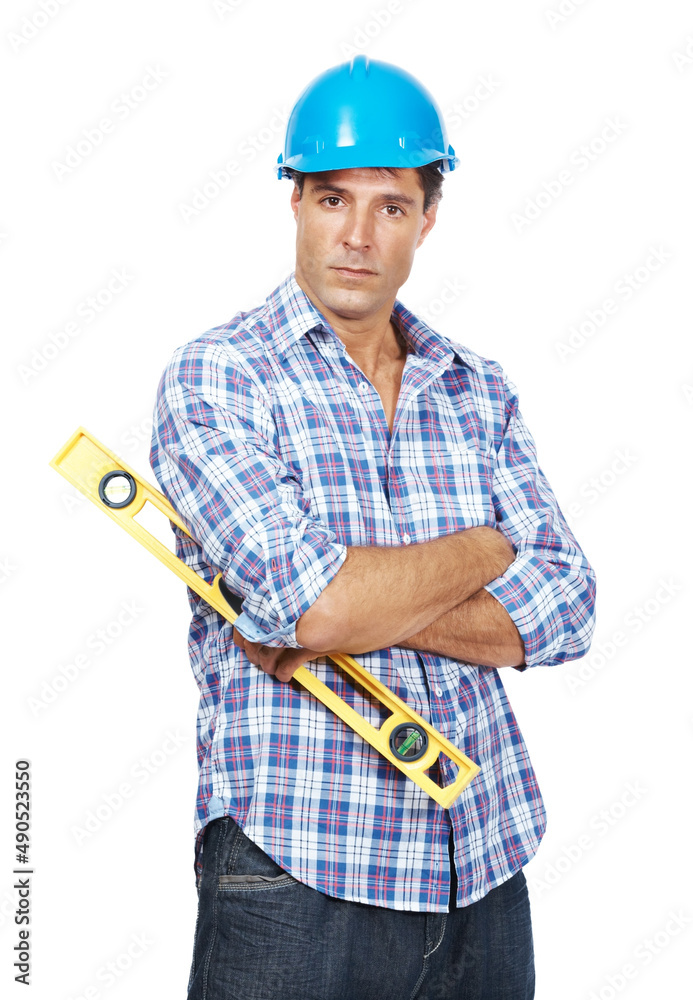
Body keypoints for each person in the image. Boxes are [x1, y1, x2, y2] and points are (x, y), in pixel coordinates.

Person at [150, 55, 596, 1000]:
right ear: (294, 203)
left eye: (389, 205)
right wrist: (485, 550)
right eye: (330, 200)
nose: (356, 235)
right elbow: (312, 602)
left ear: (427, 217)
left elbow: (565, 607)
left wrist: (342, 611)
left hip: (481, 865)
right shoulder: (219, 380)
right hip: (296, 867)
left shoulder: (477, 390)